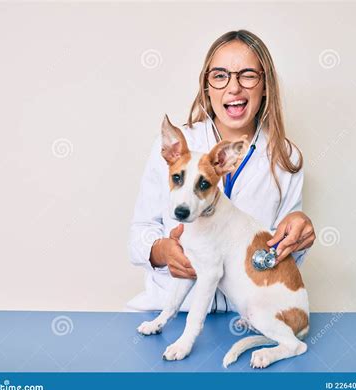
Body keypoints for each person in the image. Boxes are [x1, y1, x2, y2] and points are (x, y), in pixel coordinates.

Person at [126, 29, 316, 312]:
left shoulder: (285, 159)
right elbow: (141, 231)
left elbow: (277, 262)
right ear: (207, 86)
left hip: (246, 316)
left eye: (248, 75)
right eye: (220, 75)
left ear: (265, 85)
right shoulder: (178, 146)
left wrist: (296, 240)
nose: (234, 87)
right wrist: (161, 251)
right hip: (172, 311)